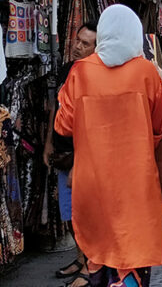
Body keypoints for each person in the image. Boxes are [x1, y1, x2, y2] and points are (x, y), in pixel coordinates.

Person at [55, 5, 162, 287]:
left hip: (93, 180)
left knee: (98, 249)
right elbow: (160, 124)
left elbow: (63, 126)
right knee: (133, 249)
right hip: (136, 181)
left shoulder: (80, 72)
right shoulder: (146, 72)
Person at [44, 21, 98, 287]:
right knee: (70, 212)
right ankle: (81, 259)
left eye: (85, 43)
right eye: (77, 40)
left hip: (83, 156)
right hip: (63, 151)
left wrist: (80, 158)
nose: (77, 46)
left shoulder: (95, 75)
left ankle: (90, 266)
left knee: (84, 213)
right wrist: (48, 143)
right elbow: (56, 107)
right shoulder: (68, 69)